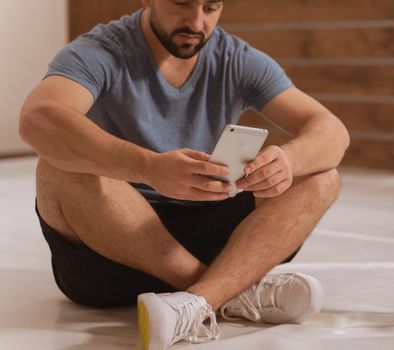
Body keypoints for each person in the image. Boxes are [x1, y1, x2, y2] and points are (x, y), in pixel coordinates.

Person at [19, 0, 350, 349]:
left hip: (209, 235)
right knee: (57, 165)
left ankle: (196, 301)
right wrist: (148, 167)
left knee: (322, 177)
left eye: (210, 7)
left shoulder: (235, 58)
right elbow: (38, 118)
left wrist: (287, 161)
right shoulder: (100, 51)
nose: (196, 21)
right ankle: (225, 292)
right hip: (110, 252)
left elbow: (332, 131)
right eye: (182, 2)